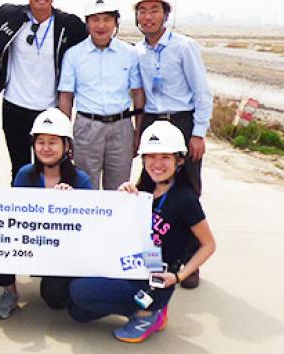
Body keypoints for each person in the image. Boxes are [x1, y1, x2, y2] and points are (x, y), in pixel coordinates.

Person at [67, 120, 216, 343]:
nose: (157, 164)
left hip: (157, 281)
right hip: (132, 268)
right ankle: (143, 307)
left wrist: (178, 277)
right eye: (151, 156)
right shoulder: (143, 191)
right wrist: (122, 199)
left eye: (165, 157)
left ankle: (148, 312)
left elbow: (209, 245)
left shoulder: (186, 200)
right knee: (77, 312)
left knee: (80, 291)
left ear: (179, 160)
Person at [134, 0, 213, 288]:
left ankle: (190, 263)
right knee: (150, 187)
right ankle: (154, 255)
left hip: (182, 120)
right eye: (142, 11)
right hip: (153, 121)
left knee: (188, 190)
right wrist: (138, 132)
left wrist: (198, 132)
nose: (148, 17)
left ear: (165, 15)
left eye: (154, 10)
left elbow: (202, 92)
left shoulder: (184, 47)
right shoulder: (137, 52)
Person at [0, 0, 88, 183]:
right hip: (14, 107)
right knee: (20, 169)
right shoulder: (8, 15)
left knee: (54, 170)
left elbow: (94, 44)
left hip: (51, 109)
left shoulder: (69, 24)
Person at [0, 108, 93, 319]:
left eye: (52, 142)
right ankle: (9, 292)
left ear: (66, 145)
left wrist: (72, 203)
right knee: (1, 235)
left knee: (54, 298)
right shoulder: (25, 174)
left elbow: (90, 227)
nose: (46, 148)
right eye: (41, 142)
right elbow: (13, 217)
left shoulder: (80, 180)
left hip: (63, 250)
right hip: (31, 242)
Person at [58, 0, 144, 190]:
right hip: (86, 127)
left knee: (119, 189)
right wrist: (65, 135)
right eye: (95, 19)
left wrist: (138, 131)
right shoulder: (74, 55)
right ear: (87, 23)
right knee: (86, 188)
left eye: (107, 19)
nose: (101, 25)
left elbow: (138, 94)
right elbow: (66, 97)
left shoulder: (129, 53)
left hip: (121, 127)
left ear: (116, 23)